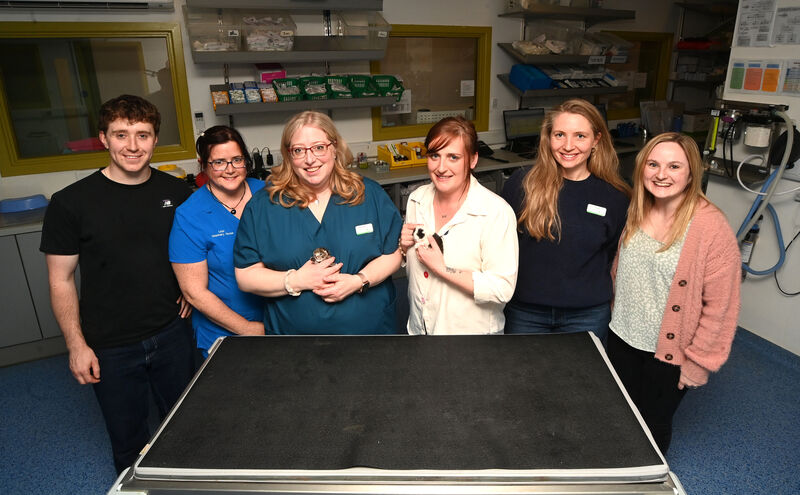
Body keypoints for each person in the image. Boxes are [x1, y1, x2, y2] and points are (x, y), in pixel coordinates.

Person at [40, 94, 195, 474]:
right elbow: (60, 279)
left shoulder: (177, 194)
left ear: (155, 139)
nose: (132, 146)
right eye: (121, 134)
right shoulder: (70, 203)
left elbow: (192, 254)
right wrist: (76, 345)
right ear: (103, 138)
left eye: (142, 135)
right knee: (129, 443)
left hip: (172, 333)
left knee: (187, 427)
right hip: (110, 346)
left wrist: (190, 289)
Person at [607, 132, 740, 454]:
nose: (661, 174)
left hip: (667, 353)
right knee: (619, 414)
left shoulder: (710, 227)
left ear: (692, 174)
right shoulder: (637, 209)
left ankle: (649, 477)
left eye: (674, 166)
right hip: (622, 337)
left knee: (652, 425)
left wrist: (700, 362)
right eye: (653, 164)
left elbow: (721, 306)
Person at [233, 111, 403, 334]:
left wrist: (359, 280)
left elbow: (394, 253)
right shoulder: (264, 206)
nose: (310, 159)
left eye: (319, 147)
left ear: (334, 148)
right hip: (294, 340)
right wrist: (295, 280)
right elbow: (246, 276)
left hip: (369, 333)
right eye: (299, 150)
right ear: (288, 155)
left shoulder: (368, 194)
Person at [501, 99, 630, 343]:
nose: (568, 146)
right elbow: (500, 244)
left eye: (580, 136)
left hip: (587, 314)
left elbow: (614, 255)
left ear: (596, 140)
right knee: (521, 369)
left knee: (585, 370)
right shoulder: (521, 184)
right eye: (559, 135)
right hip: (526, 312)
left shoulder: (615, 196)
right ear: (548, 137)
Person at [399, 117, 518, 334]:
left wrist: (443, 269)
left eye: (453, 157)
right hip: (420, 330)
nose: (441, 168)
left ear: (472, 160)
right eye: (434, 156)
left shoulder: (495, 212)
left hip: (470, 338)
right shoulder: (417, 199)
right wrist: (404, 249)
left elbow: (502, 288)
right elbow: (415, 267)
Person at [169, 126, 265, 357]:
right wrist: (248, 329)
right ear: (203, 165)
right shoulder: (190, 215)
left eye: (237, 160)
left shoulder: (268, 193)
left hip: (281, 320)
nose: (230, 170)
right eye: (219, 162)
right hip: (225, 333)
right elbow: (194, 292)